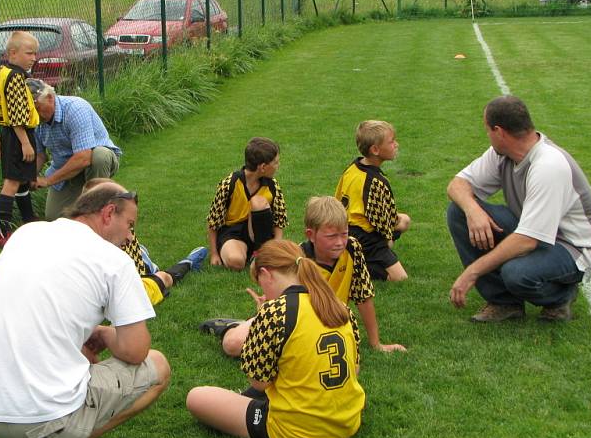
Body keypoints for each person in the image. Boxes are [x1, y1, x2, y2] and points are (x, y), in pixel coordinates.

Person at [0, 183, 170, 438]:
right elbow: (135, 350)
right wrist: (105, 333)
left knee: (67, 349)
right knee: (158, 365)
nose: (129, 237)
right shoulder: (114, 261)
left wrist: (90, 333)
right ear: (108, 212)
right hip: (48, 418)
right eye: (129, 225)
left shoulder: (25, 234)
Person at [187, 240, 365, 438]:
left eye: (260, 283)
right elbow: (355, 369)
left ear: (266, 274)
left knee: (196, 397)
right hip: (347, 421)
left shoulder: (275, 311)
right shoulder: (339, 306)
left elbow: (259, 383)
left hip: (297, 430)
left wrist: (260, 318)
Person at [447, 95, 591, 322]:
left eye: (488, 130)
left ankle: (561, 296)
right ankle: (504, 303)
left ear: (499, 131)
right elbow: (457, 185)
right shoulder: (501, 154)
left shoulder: (548, 165)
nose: (488, 136)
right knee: (458, 212)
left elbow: (527, 240)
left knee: (516, 273)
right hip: (535, 231)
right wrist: (473, 210)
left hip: (573, 247)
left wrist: (472, 272)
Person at [201, 196, 405, 355]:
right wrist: (267, 306)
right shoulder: (296, 258)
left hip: (327, 324)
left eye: (343, 233)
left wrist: (376, 343)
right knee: (233, 345)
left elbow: (363, 296)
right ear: (311, 235)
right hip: (290, 323)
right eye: (331, 236)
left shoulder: (353, 247)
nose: (340, 242)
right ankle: (230, 326)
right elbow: (264, 277)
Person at [84, 177, 208, 306]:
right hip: (122, 277)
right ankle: (170, 261)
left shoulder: (117, 223)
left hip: (134, 271)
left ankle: (185, 263)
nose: (130, 236)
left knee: (162, 278)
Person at [28, 78, 121, 221]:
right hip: (65, 169)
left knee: (99, 156)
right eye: (30, 110)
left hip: (93, 163)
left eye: (37, 108)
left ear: (50, 98)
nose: (34, 113)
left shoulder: (75, 108)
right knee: (54, 218)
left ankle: (100, 207)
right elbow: (40, 155)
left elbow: (84, 157)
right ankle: (86, 213)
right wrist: (29, 177)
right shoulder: (35, 121)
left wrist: (47, 181)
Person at [335, 120, 411, 281]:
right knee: (399, 278)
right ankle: (357, 266)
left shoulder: (352, 168)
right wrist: (387, 239)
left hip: (345, 227)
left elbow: (337, 199)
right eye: (391, 142)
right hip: (366, 236)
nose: (396, 145)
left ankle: (359, 256)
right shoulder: (375, 181)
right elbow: (380, 220)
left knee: (403, 221)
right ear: (375, 150)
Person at [0, 31, 40, 247]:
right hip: (17, 135)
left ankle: (28, 220)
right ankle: (2, 231)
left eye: (35, 53)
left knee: (23, 179)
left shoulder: (2, 72)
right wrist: (25, 142)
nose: (33, 58)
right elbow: (16, 113)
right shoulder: (15, 76)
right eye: (29, 53)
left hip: (9, 134)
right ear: (13, 53)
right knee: (11, 182)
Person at [207, 137, 287, 270]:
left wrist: (277, 246)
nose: (278, 166)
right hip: (232, 233)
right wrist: (214, 254)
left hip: (262, 232)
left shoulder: (272, 185)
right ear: (262, 167)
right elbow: (213, 222)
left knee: (258, 202)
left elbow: (279, 221)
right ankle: (247, 254)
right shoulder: (229, 184)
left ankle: (260, 251)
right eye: (276, 162)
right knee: (235, 262)